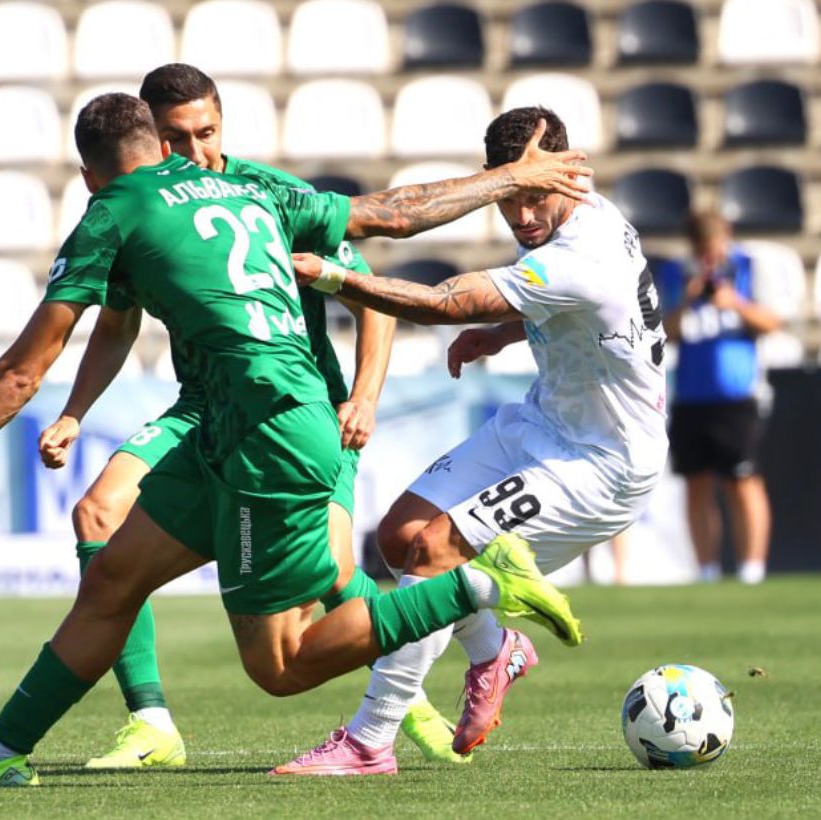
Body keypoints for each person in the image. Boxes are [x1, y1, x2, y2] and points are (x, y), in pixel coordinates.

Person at [0, 93, 594, 787]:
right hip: (229, 423)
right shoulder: (249, 188)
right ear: (160, 146)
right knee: (113, 577)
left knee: (281, 664)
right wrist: (510, 178)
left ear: (88, 176)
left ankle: (480, 584)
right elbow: (391, 214)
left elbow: (21, 373)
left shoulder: (111, 212)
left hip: (269, 432)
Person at [30, 64, 462, 770]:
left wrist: (363, 396)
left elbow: (369, 294)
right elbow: (116, 323)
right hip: (205, 407)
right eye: (174, 139)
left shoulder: (266, 192)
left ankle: (409, 693)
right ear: (148, 140)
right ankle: (151, 723)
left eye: (205, 133)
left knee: (332, 572)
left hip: (298, 408)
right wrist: (75, 411)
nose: (193, 151)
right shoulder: (144, 203)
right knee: (97, 513)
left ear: (222, 124)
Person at [279, 106, 668, 775]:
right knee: (401, 535)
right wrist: (504, 333)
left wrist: (338, 279)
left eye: (534, 197)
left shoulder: (583, 254)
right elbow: (580, 309)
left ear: (570, 174)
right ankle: (495, 651)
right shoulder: (575, 215)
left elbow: (442, 302)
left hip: (602, 465)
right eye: (510, 196)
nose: (522, 217)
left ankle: (370, 741)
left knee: (434, 554)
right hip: (543, 423)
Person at [659, 211, 780, 585]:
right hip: (691, 395)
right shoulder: (677, 273)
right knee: (696, 483)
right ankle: (707, 569)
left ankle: (752, 567)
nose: (710, 258)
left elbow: (772, 322)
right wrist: (688, 299)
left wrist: (735, 303)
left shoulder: (749, 268)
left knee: (743, 481)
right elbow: (664, 333)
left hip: (738, 393)